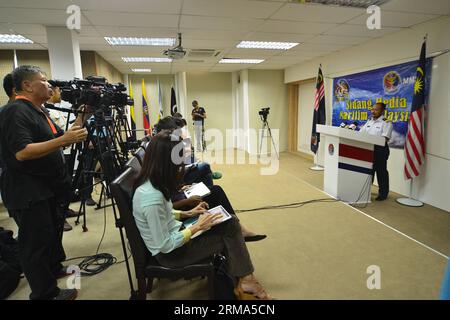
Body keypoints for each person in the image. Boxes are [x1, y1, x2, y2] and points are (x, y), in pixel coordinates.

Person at [132, 132, 271, 299]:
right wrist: (197, 226)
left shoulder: (152, 184)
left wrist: (187, 213)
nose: (180, 169)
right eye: (177, 165)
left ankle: (246, 279)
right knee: (230, 231)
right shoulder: (151, 198)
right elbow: (164, 245)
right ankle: (246, 280)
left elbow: (165, 214)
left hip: (176, 235)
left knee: (228, 221)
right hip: (171, 255)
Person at [0, 65, 90, 300]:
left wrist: (82, 116)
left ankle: (52, 270)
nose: (50, 85)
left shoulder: (39, 110)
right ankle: (45, 294)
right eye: (44, 80)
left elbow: (63, 138)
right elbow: (22, 151)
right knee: (34, 245)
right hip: (27, 191)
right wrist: (63, 141)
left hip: (45, 187)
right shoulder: (15, 111)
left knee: (48, 235)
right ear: (27, 86)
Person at [360, 102, 393, 201]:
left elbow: (385, 138)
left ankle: (383, 194)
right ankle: (366, 192)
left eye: (376, 110)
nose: (373, 111)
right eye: (372, 109)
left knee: (381, 172)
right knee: (369, 171)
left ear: (382, 111)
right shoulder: (369, 121)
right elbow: (360, 133)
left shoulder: (386, 122)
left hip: (380, 150)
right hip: (368, 149)